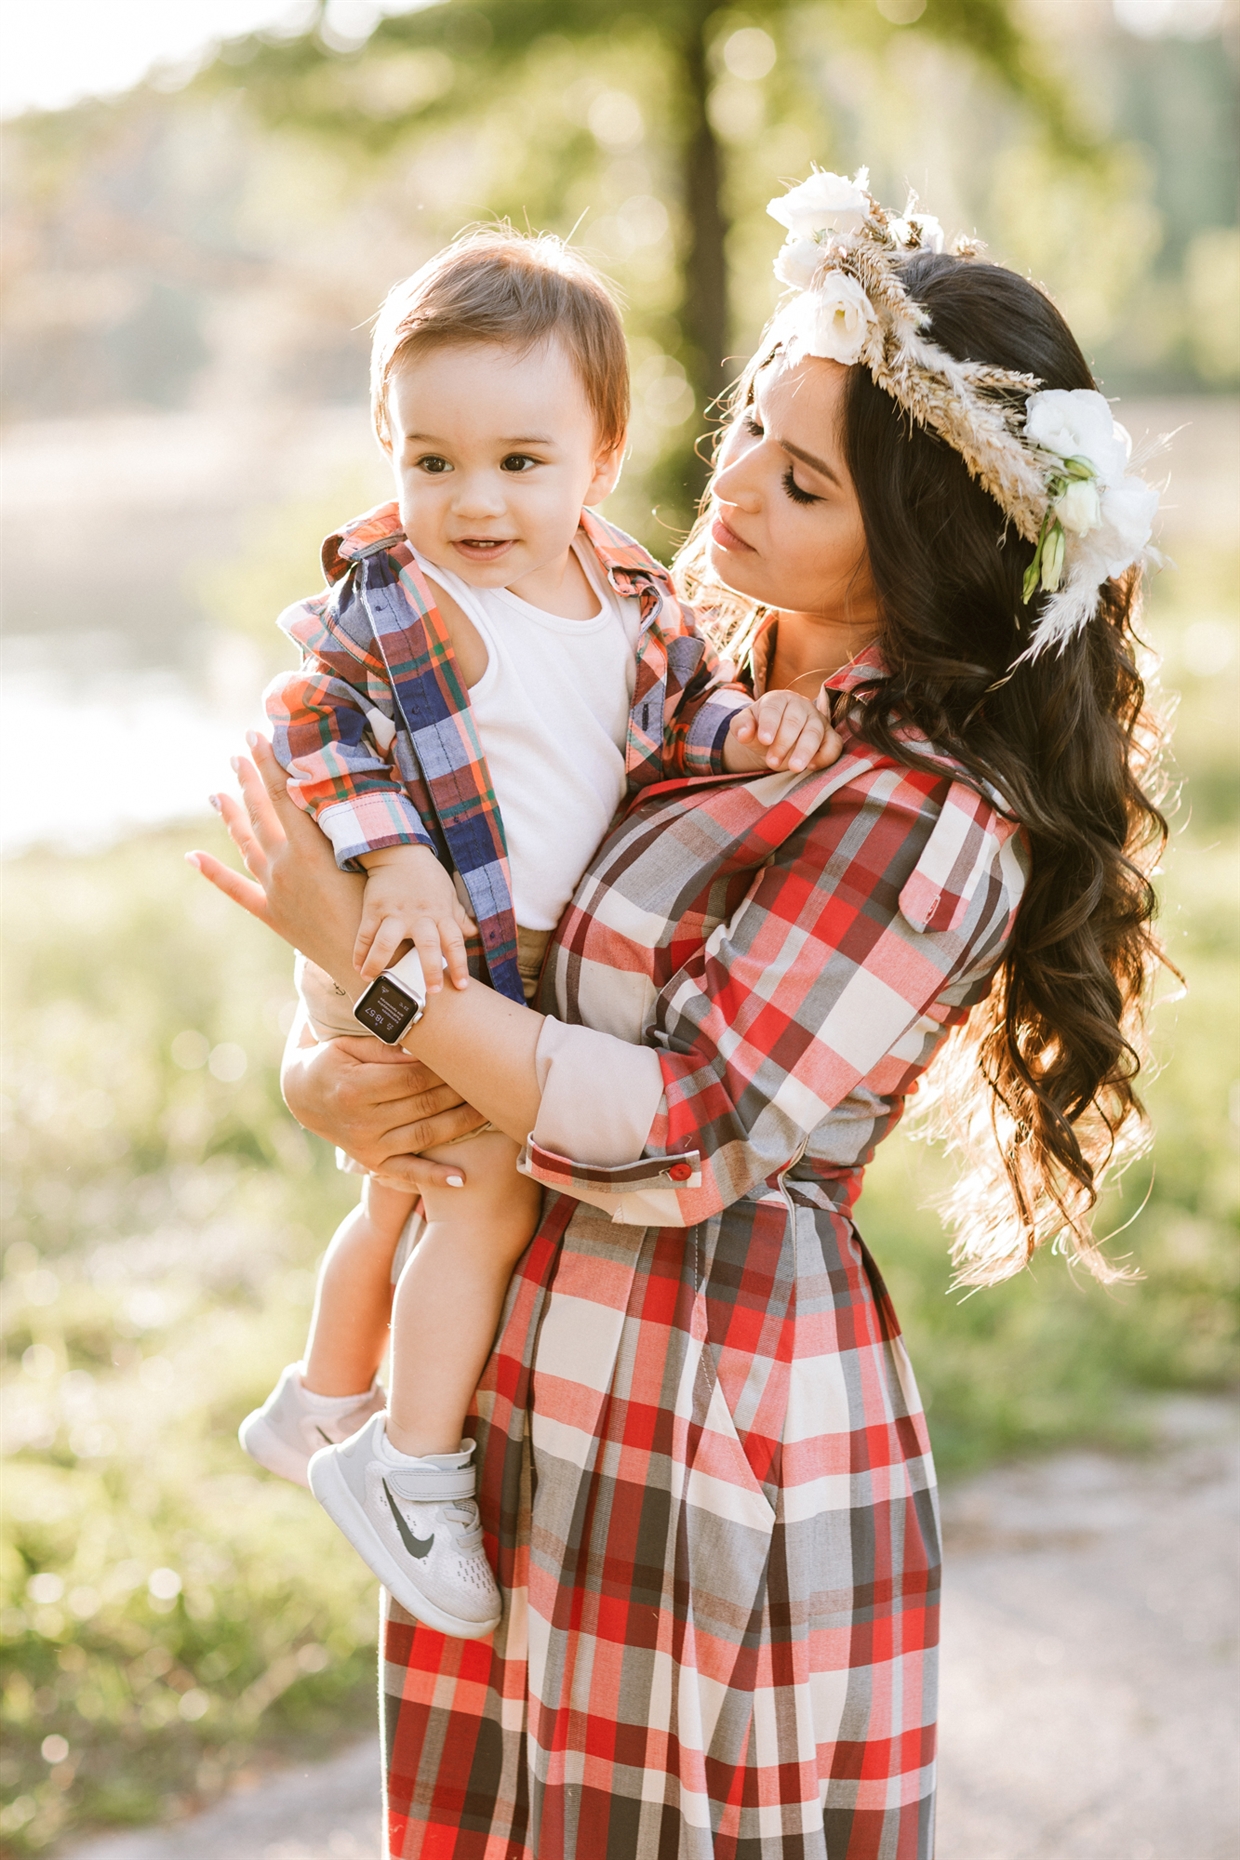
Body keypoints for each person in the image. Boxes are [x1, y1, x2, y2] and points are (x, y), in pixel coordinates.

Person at [193, 172, 1167, 1857]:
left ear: (923, 541)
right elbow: (489, 932)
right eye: (748, 432)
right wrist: (327, 1073)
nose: (731, 486)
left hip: (700, 1404)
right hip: (511, 1379)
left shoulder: (923, 816)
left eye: (800, 482)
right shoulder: (677, 667)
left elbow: (686, 1128)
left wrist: (369, 970)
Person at [235, 228, 841, 1641]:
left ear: (601, 458)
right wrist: (394, 857)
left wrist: (751, 731)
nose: (475, 499)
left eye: (520, 461)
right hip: (422, 946)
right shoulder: (407, 597)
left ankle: (318, 1399)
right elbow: (305, 717)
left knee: (404, 1194)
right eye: (431, 460)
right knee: (486, 1194)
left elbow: (676, 720)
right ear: (388, 449)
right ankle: (408, 1467)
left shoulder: (632, 598)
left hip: (497, 978)